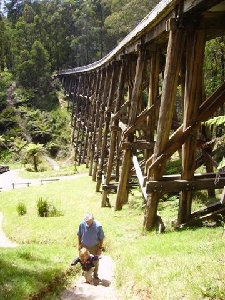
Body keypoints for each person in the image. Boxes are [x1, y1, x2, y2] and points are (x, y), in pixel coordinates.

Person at [77, 213, 104, 279]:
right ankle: (84, 272)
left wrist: (100, 248)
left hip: (94, 246)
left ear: (93, 220)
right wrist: (79, 244)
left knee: (95, 260)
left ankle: (95, 274)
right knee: (83, 259)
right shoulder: (82, 224)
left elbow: (101, 238)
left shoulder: (98, 226)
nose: (87, 223)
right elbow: (79, 235)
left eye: (89, 221)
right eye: (86, 221)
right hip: (84, 246)